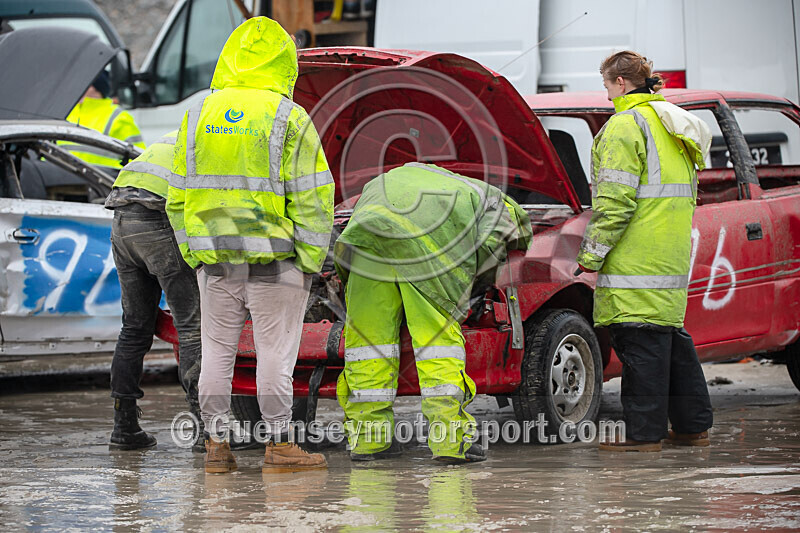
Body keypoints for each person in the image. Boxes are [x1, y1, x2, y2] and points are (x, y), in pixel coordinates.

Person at [167, 17, 334, 474]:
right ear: (284, 63)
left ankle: (216, 448)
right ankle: (280, 446)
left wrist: (194, 253)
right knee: (275, 356)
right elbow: (315, 196)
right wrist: (309, 260)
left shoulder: (198, 113)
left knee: (216, 353)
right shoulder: (288, 117)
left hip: (215, 261)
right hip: (274, 262)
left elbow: (177, 194)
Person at [335, 162, 532, 464]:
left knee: (367, 348)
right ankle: (451, 444)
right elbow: (489, 253)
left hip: (364, 248)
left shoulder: (416, 180)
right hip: (421, 256)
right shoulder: (498, 206)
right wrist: (475, 287)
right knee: (437, 348)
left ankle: (368, 442)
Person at [575, 51, 714, 451]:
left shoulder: (624, 126)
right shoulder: (668, 121)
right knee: (670, 339)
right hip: (668, 254)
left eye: (606, 86)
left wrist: (591, 256)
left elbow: (615, 203)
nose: (605, 95)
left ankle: (643, 435)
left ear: (620, 83)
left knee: (641, 344)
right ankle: (692, 426)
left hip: (636, 256)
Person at [106, 131, 202, 450]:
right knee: (192, 329)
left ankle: (125, 427)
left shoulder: (174, 137)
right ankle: (206, 430)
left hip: (121, 221)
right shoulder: (208, 145)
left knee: (134, 328)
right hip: (156, 220)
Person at [65, 71, 146, 167]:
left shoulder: (119, 117)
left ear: (94, 87)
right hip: (58, 180)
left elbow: (140, 162)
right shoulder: (67, 113)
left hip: (104, 180)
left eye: (82, 82)